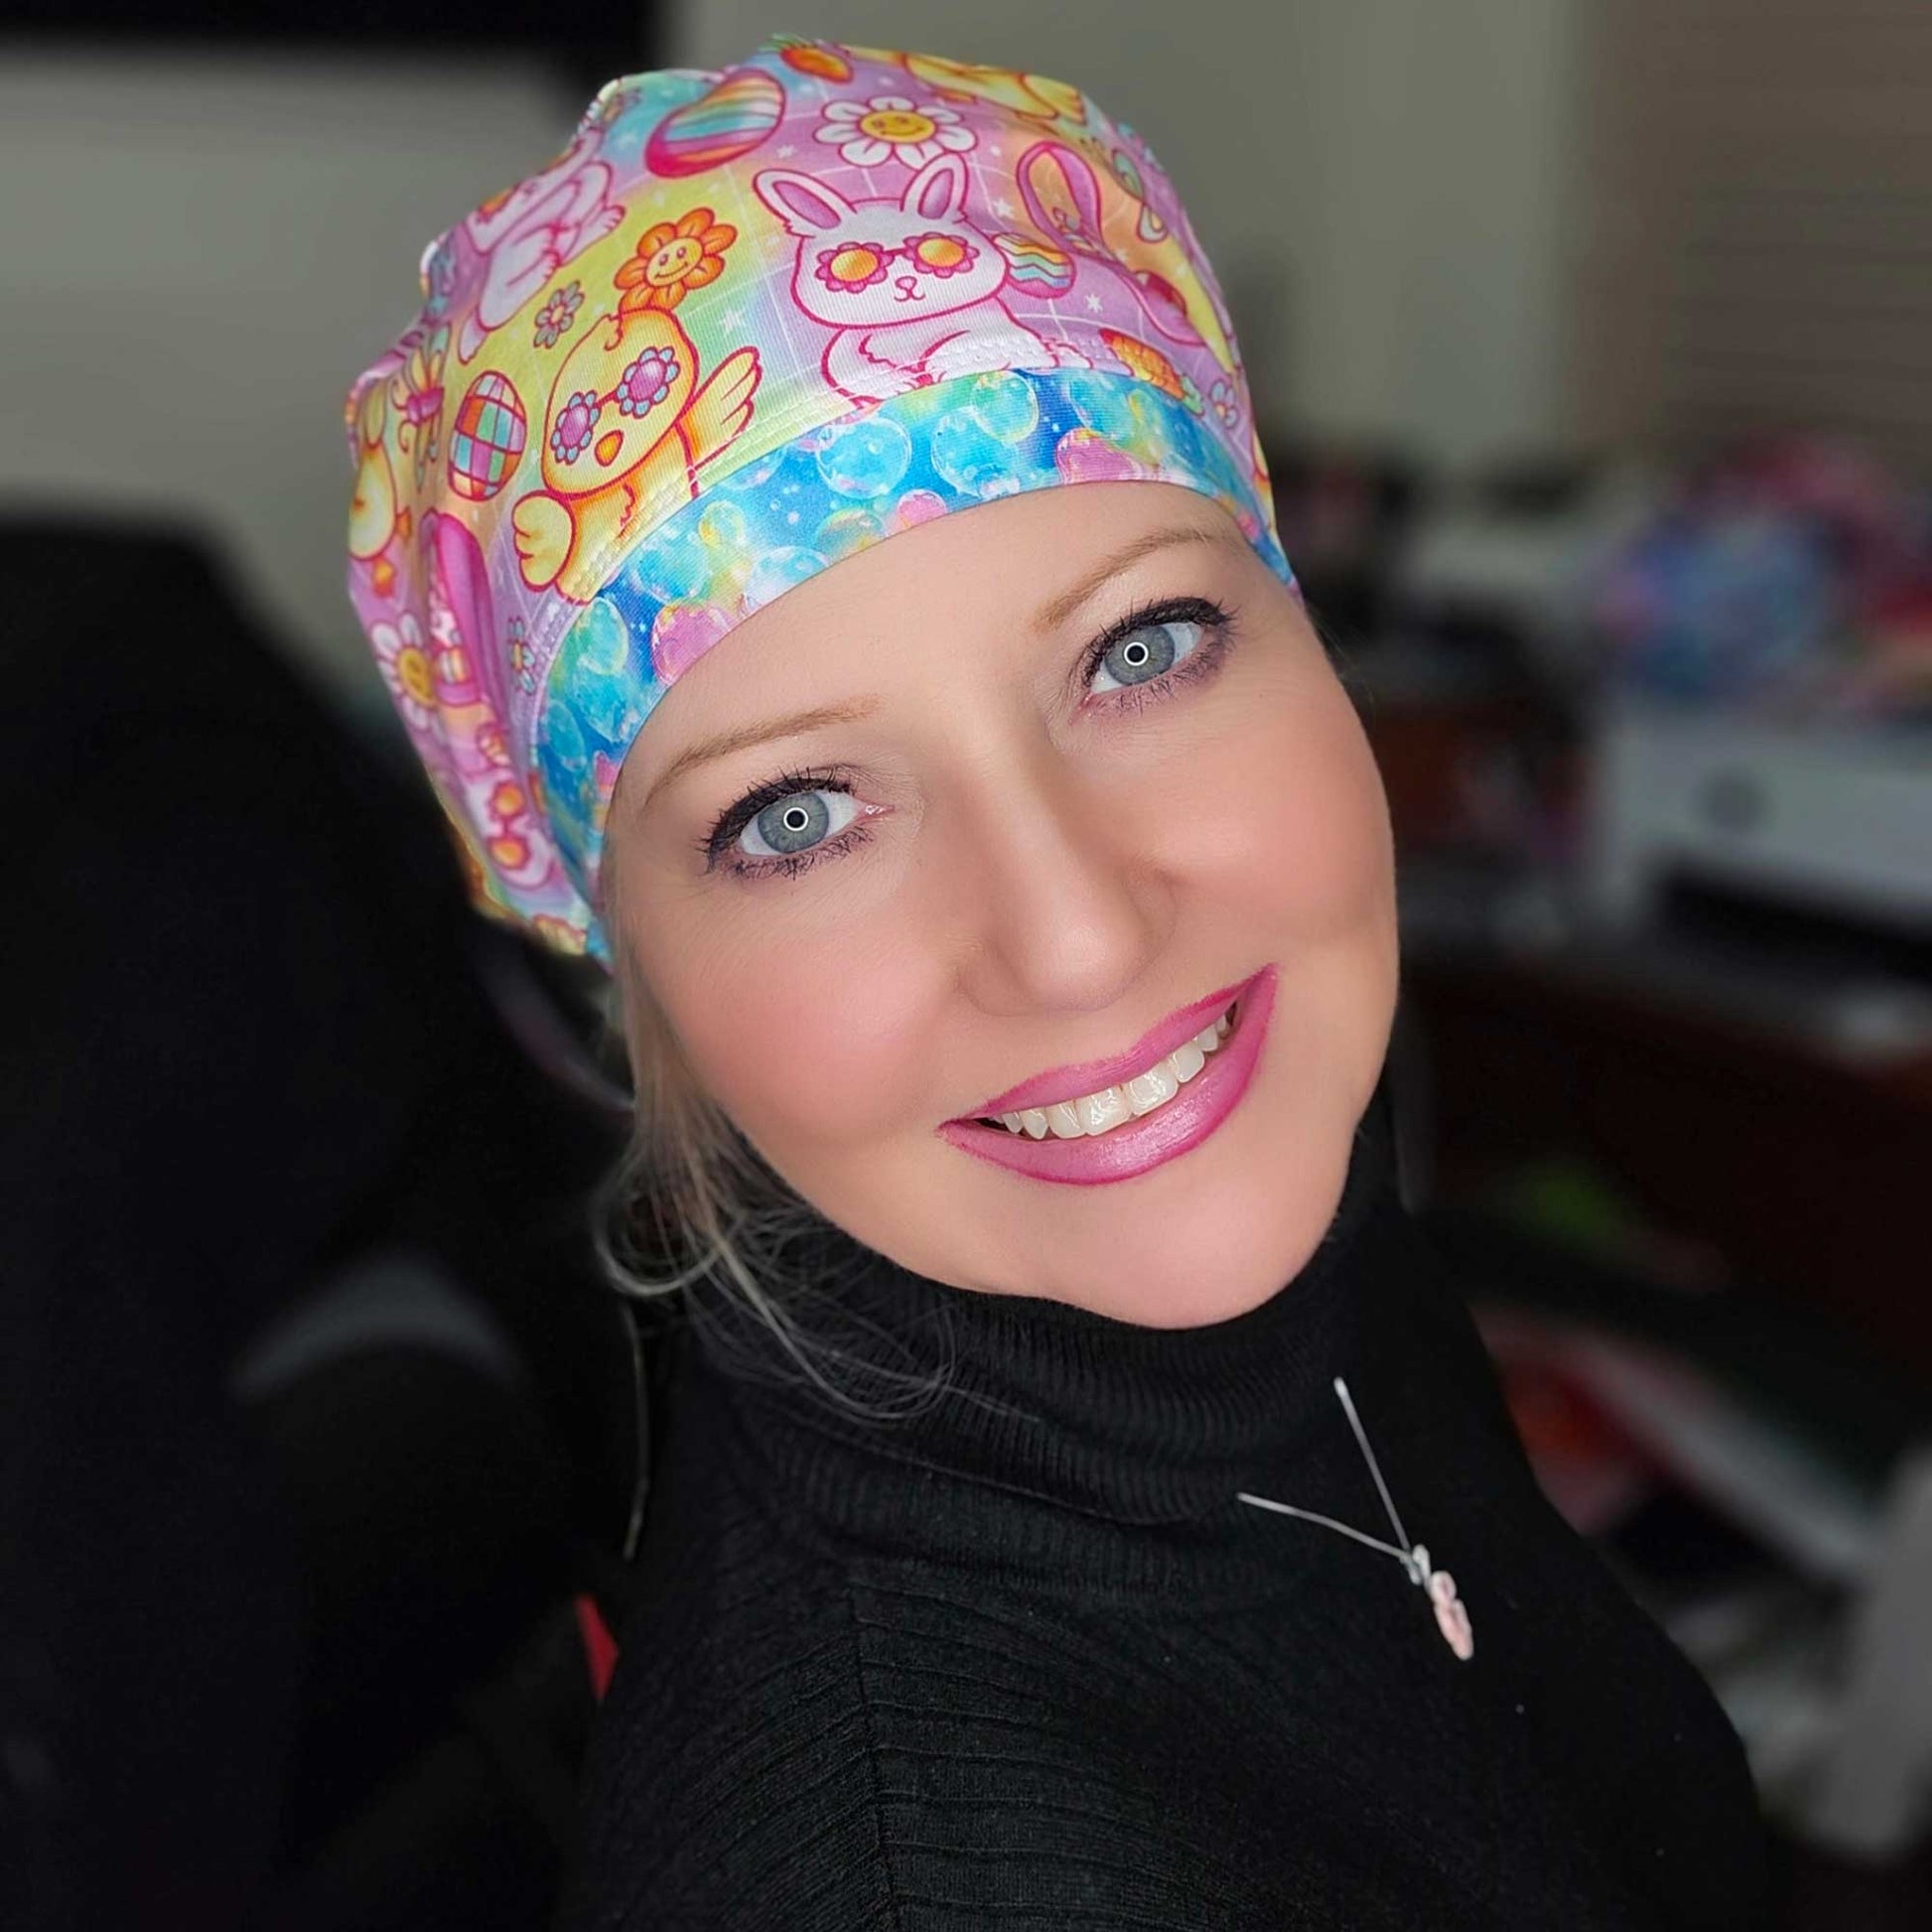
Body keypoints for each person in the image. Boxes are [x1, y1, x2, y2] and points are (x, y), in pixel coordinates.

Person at [344, 37, 1767, 1927]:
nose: (1080, 936)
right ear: (637, 971)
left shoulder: (1310, 1264)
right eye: (793, 816)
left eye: (1142, 646)